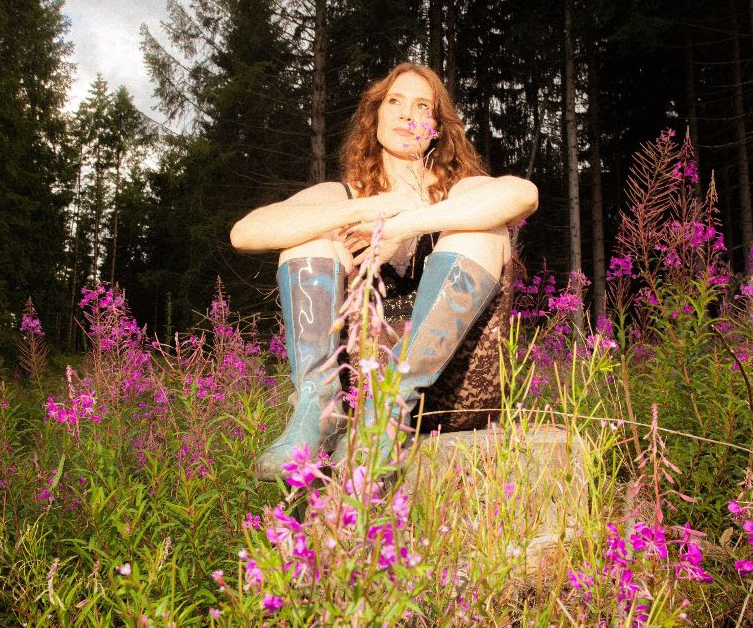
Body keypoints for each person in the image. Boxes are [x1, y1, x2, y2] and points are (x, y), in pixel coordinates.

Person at [230, 62, 538, 481]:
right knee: (308, 237)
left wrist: (401, 225)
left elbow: (522, 194)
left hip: (455, 391)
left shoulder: (459, 191)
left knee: (482, 231)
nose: (407, 114)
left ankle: (394, 406)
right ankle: (317, 408)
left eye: (422, 106)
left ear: (437, 126)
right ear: (374, 116)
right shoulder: (344, 195)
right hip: (361, 392)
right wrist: (369, 208)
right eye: (394, 101)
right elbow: (245, 232)